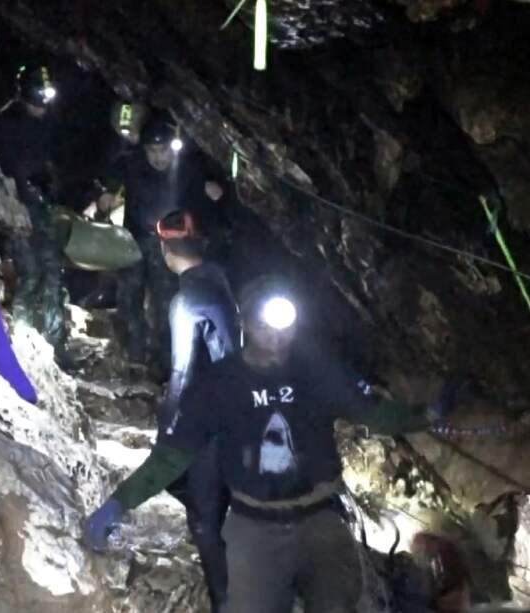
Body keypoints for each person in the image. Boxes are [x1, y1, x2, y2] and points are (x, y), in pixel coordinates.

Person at [84, 274, 460, 613]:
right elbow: (172, 456)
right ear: (245, 321)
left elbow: (371, 413)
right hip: (253, 522)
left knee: (339, 603)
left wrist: (425, 416)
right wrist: (118, 504)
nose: (278, 336)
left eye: (286, 326)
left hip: (321, 517)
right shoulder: (219, 385)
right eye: (267, 324)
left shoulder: (314, 369)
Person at [95, 112, 226, 374]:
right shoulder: (132, 164)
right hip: (134, 238)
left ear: (172, 148)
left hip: (170, 244)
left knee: (165, 300)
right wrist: (106, 193)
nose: (158, 157)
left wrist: (214, 188)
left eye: (163, 150)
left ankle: (165, 362)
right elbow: (109, 179)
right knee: (129, 295)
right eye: (152, 150)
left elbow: (210, 192)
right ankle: (135, 355)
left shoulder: (188, 169)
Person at [154, 210, 238, 611]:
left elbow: (183, 371)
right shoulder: (219, 279)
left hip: (208, 423)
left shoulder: (187, 298)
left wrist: (169, 426)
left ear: (165, 249)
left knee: (205, 520)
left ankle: (227, 602)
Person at [0, 64, 67, 353]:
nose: (43, 105)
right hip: (16, 205)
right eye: (38, 98)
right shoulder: (5, 123)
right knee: (30, 273)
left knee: (52, 272)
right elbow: (1, 171)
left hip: (41, 204)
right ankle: (21, 340)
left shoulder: (45, 121)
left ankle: (56, 345)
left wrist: (50, 183)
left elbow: (49, 159)